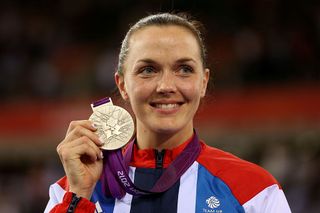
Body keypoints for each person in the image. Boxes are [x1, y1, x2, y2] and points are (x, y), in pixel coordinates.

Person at [44, 13, 291, 213]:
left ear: (203, 82)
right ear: (122, 85)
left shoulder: (254, 191)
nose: (166, 86)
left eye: (184, 69)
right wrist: (78, 197)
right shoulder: (71, 190)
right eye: (148, 70)